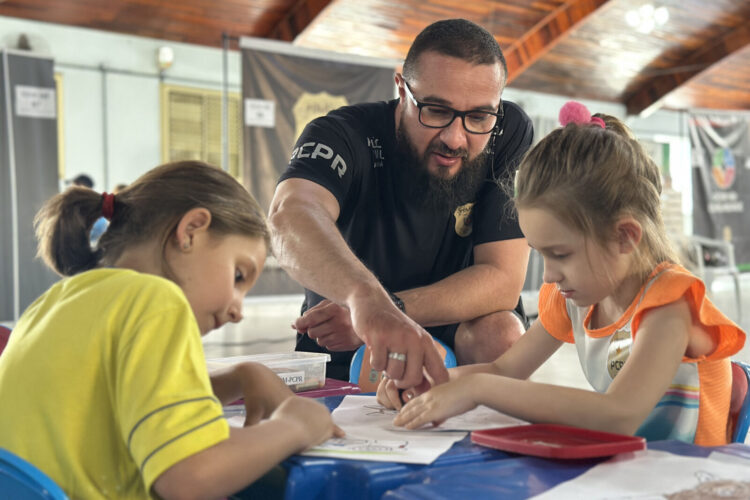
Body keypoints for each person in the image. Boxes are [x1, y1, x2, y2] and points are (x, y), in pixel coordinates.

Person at [381, 102, 746, 446]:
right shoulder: (577, 297)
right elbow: (504, 370)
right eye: (542, 255)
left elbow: (618, 416)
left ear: (624, 236)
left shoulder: (669, 303)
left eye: (561, 255)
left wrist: (477, 389)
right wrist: (432, 382)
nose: (549, 277)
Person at [0, 161, 342, 499]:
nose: (238, 310)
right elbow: (190, 476)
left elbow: (116, 398)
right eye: (238, 276)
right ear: (191, 230)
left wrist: (239, 377)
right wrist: (295, 426)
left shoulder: (55, 301)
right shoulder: (156, 298)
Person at [268, 18, 534, 388]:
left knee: (503, 334)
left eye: (477, 116)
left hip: (446, 323)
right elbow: (290, 215)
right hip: (346, 329)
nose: (455, 138)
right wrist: (363, 304)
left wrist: (388, 309)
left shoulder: (506, 130)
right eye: (436, 111)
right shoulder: (342, 134)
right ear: (401, 90)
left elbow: (503, 279)